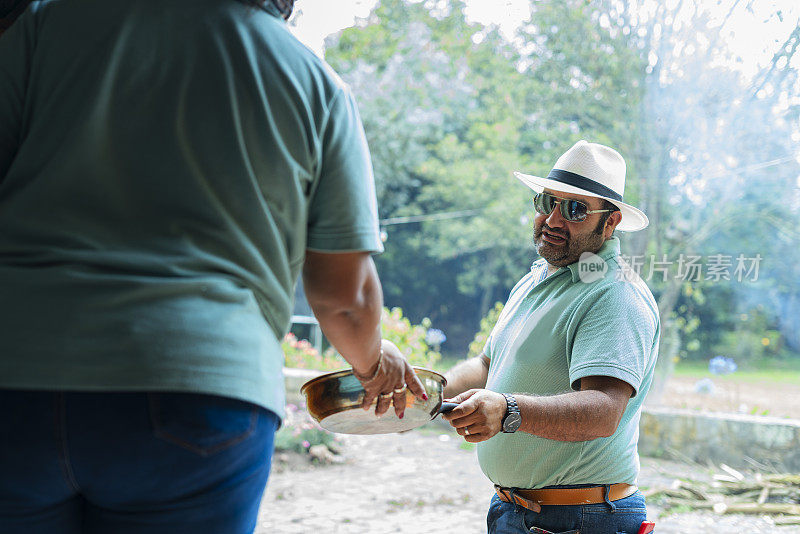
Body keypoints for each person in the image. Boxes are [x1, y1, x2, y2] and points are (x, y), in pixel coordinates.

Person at [0, 1, 424, 533]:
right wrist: (372, 364)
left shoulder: (48, 24)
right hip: (201, 389)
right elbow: (344, 297)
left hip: (17, 372)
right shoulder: (312, 80)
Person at [442, 140, 659, 534]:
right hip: (521, 510)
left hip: (578, 520)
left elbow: (604, 410)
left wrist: (508, 410)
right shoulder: (538, 278)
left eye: (575, 209)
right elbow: (488, 365)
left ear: (610, 223)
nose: (554, 220)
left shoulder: (614, 292)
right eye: (547, 202)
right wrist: (429, 392)